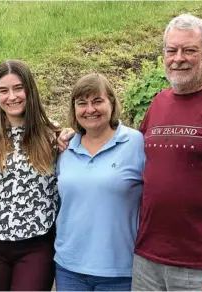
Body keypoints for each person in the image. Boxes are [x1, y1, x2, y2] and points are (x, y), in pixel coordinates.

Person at [58, 13, 202, 291]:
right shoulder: (160, 102)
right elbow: (121, 153)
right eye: (171, 50)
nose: (178, 58)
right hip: (146, 261)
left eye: (189, 50)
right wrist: (72, 134)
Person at [0, 59, 59, 291]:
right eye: (4, 90)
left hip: (37, 243)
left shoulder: (52, 134)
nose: (11, 96)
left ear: (29, 90)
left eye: (18, 88)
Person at [55, 73, 145, 291]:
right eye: (82, 103)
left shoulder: (135, 142)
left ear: (112, 104)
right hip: (69, 268)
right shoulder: (64, 148)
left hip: (119, 270)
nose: (90, 109)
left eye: (97, 101)